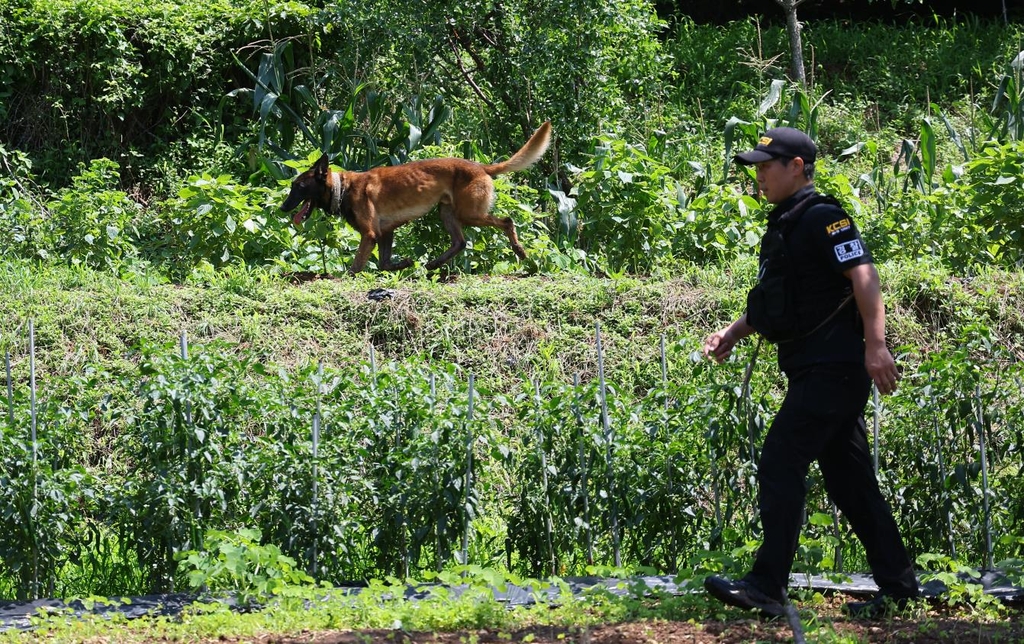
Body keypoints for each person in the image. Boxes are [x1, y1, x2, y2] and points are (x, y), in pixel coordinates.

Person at [701, 127, 919, 619]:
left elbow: (864, 274)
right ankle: (901, 587)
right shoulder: (786, 224)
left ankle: (766, 585)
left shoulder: (825, 218)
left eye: (765, 165)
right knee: (851, 484)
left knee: (781, 460)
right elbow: (785, 302)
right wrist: (733, 333)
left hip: (835, 368)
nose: (758, 175)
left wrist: (877, 345)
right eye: (755, 166)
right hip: (815, 369)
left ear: (796, 166)